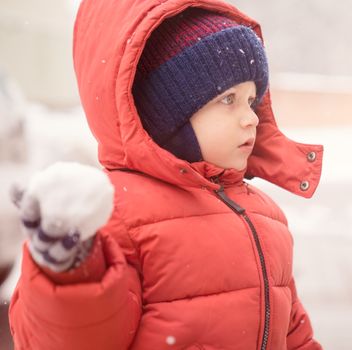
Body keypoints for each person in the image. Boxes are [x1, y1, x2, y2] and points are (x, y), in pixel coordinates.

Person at [8, 1, 324, 349]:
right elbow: (76, 338)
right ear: (169, 116)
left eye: (251, 100)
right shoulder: (117, 215)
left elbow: (294, 333)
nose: (250, 117)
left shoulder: (266, 216)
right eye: (228, 100)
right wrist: (74, 270)